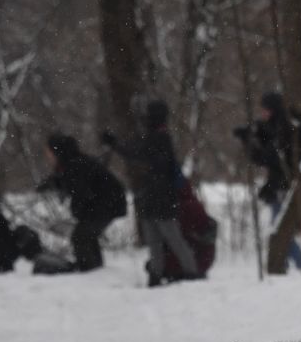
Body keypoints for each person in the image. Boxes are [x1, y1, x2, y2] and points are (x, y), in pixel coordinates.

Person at [102, 99, 199, 286]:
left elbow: (137, 153)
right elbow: (138, 153)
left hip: (160, 198)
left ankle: (189, 275)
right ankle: (158, 275)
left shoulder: (160, 138)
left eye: (147, 115)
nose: (145, 119)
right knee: (158, 240)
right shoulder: (157, 137)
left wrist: (114, 144)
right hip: (154, 198)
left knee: (169, 239)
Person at [235, 90, 301, 269]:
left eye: (266, 109)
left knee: (281, 231)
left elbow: (265, 158)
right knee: (281, 230)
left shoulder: (282, 128)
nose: (263, 113)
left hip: (283, 186)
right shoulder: (275, 126)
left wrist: (248, 141)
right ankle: (294, 263)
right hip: (281, 184)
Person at [37, 133, 126, 272]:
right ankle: (96, 269)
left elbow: (80, 191)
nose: (48, 156)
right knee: (86, 236)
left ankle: (88, 271)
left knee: (81, 237)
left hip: (108, 204)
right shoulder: (71, 162)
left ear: (57, 151)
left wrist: (77, 211)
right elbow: (64, 180)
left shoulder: (75, 164)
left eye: (49, 152)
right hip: (106, 204)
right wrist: (50, 184)